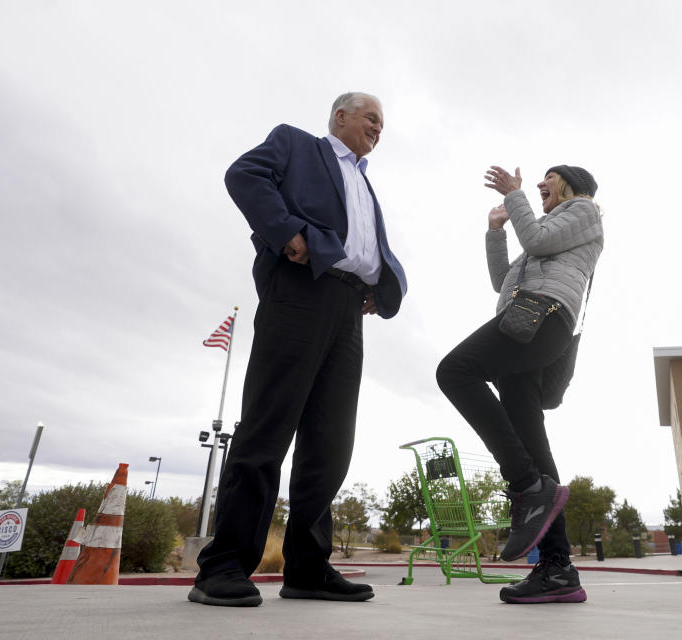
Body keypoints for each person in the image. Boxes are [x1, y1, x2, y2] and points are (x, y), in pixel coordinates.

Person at [189, 92, 407, 607]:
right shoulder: (295, 143)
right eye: (372, 118)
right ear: (341, 117)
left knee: (330, 442)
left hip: (349, 310)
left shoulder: (364, 179)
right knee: (267, 426)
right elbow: (243, 175)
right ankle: (223, 566)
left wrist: (377, 285)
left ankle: (308, 568)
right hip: (300, 293)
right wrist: (287, 233)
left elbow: (365, 244)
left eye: (383, 123)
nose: (379, 127)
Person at [436, 164, 603, 604]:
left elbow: (537, 240)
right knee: (532, 441)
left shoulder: (584, 210)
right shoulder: (546, 225)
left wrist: (514, 197)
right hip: (523, 316)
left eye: (548, 179)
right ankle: (558, 567)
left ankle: (526, 487)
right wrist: (495, 231)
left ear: (569, 185)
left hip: (544, 315)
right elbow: (501, 280)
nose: (538, 186)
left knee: (454, 371)